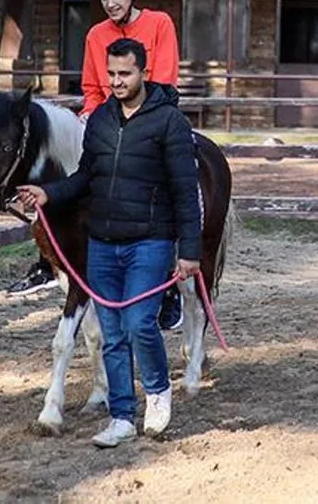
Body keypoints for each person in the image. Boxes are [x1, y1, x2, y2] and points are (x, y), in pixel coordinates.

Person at [17, 38, 201, 447]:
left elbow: (185, 191)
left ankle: (157, 392)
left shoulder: (169, 122)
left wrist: (189, 251)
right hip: (102, 241)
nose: (117, 82)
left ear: (143, 73)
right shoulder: (101, 119)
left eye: (125, 74)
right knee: (112, 332)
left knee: (139, 323)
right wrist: (49, 194)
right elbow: (86, 176)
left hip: (149, 241)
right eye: (112, 74)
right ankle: (121, 416)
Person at [6, 0, 186, 334]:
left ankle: (170, 280)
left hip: (153, 115)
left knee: (166, 181)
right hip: (106, 120)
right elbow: (91, 88)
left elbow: (165, 80)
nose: (111, 4)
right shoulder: (95, 35)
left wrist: (135, 120)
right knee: (67, 167)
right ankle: (52, 257)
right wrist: (92, 116)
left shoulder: (159, 23)